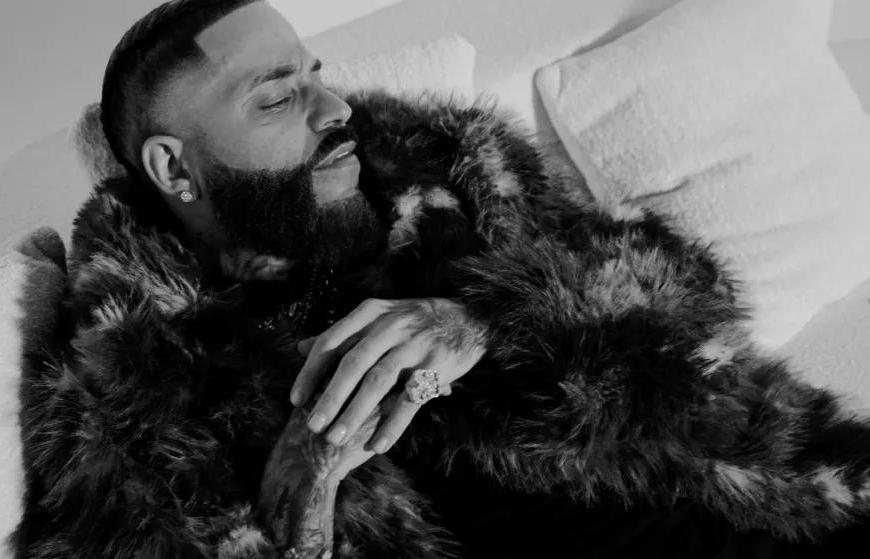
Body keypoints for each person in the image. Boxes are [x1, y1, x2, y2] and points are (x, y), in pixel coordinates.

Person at [13, 0, 870, 557]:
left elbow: (690, 304)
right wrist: (300, 508)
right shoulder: (133, 373)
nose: (335, 110)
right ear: (175, 168)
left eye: (315, 77)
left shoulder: (451, 168)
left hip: (795, 506)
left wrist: (484, 316)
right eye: (277, 99)